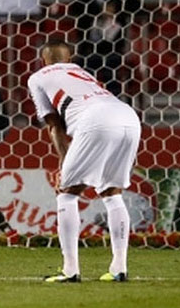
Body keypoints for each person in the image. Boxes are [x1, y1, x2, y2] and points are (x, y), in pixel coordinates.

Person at [27, 41, 141, 283]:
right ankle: (119, 267)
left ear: (44, 60)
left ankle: (70, 271)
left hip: (95, 119)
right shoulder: (82, 72)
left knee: (67, 193)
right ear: (70, 59)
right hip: (128, 116)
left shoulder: (37, 77)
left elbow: (54, 126)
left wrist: (64, 163)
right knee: (112, 193)